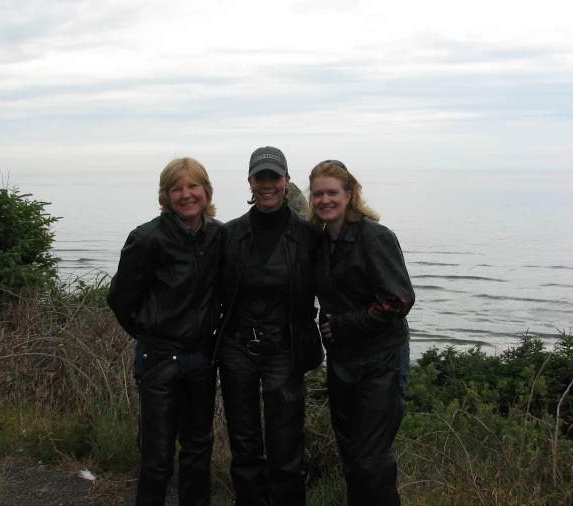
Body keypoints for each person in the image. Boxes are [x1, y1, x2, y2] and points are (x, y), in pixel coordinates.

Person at [107, 158, 222, 506]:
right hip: (159, 360)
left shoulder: (218, 235)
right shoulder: (147, 239)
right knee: (157, 459)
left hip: (201, 358)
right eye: (176, 188)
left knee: (198, 451)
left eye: (193, 186)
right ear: (166, 195)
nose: (186, 195)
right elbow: (119, 299)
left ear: (206, 190)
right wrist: (150, 333)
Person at [214, 146, 322, 506]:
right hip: (236, 350)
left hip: (285, 351)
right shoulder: (228, 236)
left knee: (286, 447)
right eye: (260, 177)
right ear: (250, 181)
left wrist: (348, 325)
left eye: (274, 177)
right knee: (244, 446)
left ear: (286, 181)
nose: (267, 185)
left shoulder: (308, 237)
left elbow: (336, 284)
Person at [307, 159, 415, 506]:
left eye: (332, 192)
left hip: (381, 360)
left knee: (370, 460)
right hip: (343, 362)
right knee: (353, 458)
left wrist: (343, 325)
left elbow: (398, 299)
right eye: (318, 193)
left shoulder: (375, 237)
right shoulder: (322, 241)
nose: (325, 199)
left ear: (349, 194)